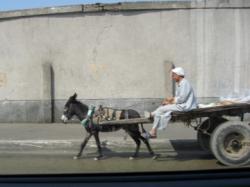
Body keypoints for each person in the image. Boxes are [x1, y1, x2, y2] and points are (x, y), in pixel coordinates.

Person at [144, 67, 197, 138]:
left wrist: (170, 101)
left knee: (161, 110)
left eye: (174, 75)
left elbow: (182, 99)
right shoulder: (181, 83)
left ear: (179, 75)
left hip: (185, 106)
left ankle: (152, 122)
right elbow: (179, 98)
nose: (172, 77)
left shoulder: (184, 83)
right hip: (181, 104)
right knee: (161, 108)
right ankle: (153, 124)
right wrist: (169, 102)